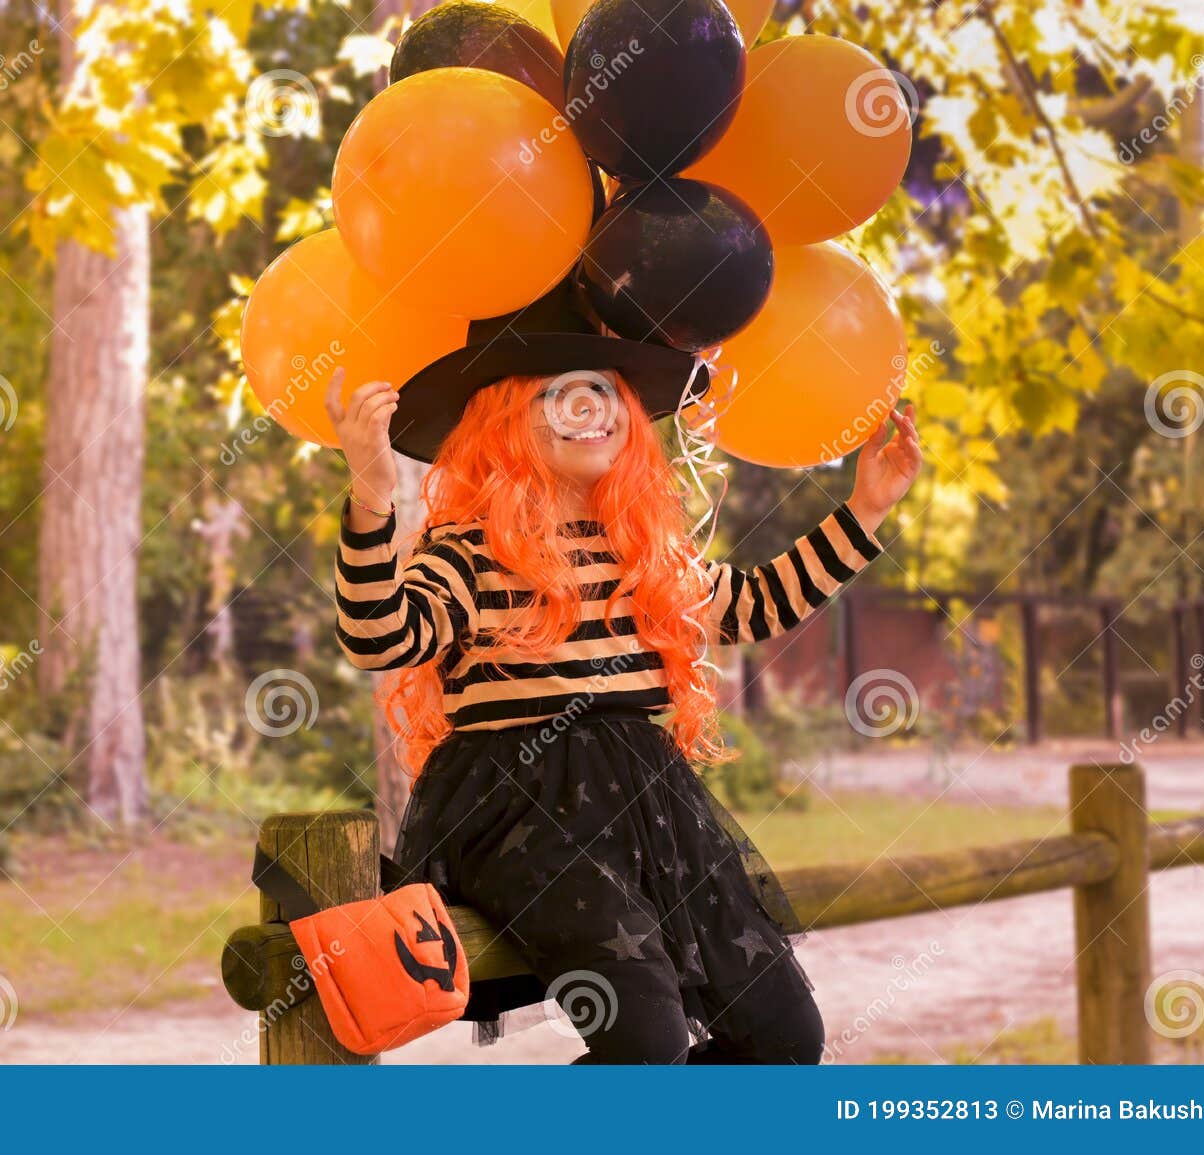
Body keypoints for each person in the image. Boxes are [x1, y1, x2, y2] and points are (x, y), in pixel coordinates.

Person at [322, 310, 921, 1065]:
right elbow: (377, 636)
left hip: (651, 808)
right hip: (521, 814)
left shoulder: (643, 549)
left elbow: (758, 601)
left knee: (786, 1036)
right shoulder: (467, 549)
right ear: (504, 422)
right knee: (645, 1038)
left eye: (604, 390)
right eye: (558, 395)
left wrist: (866, 508)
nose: (589, 408)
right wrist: (372, 498)